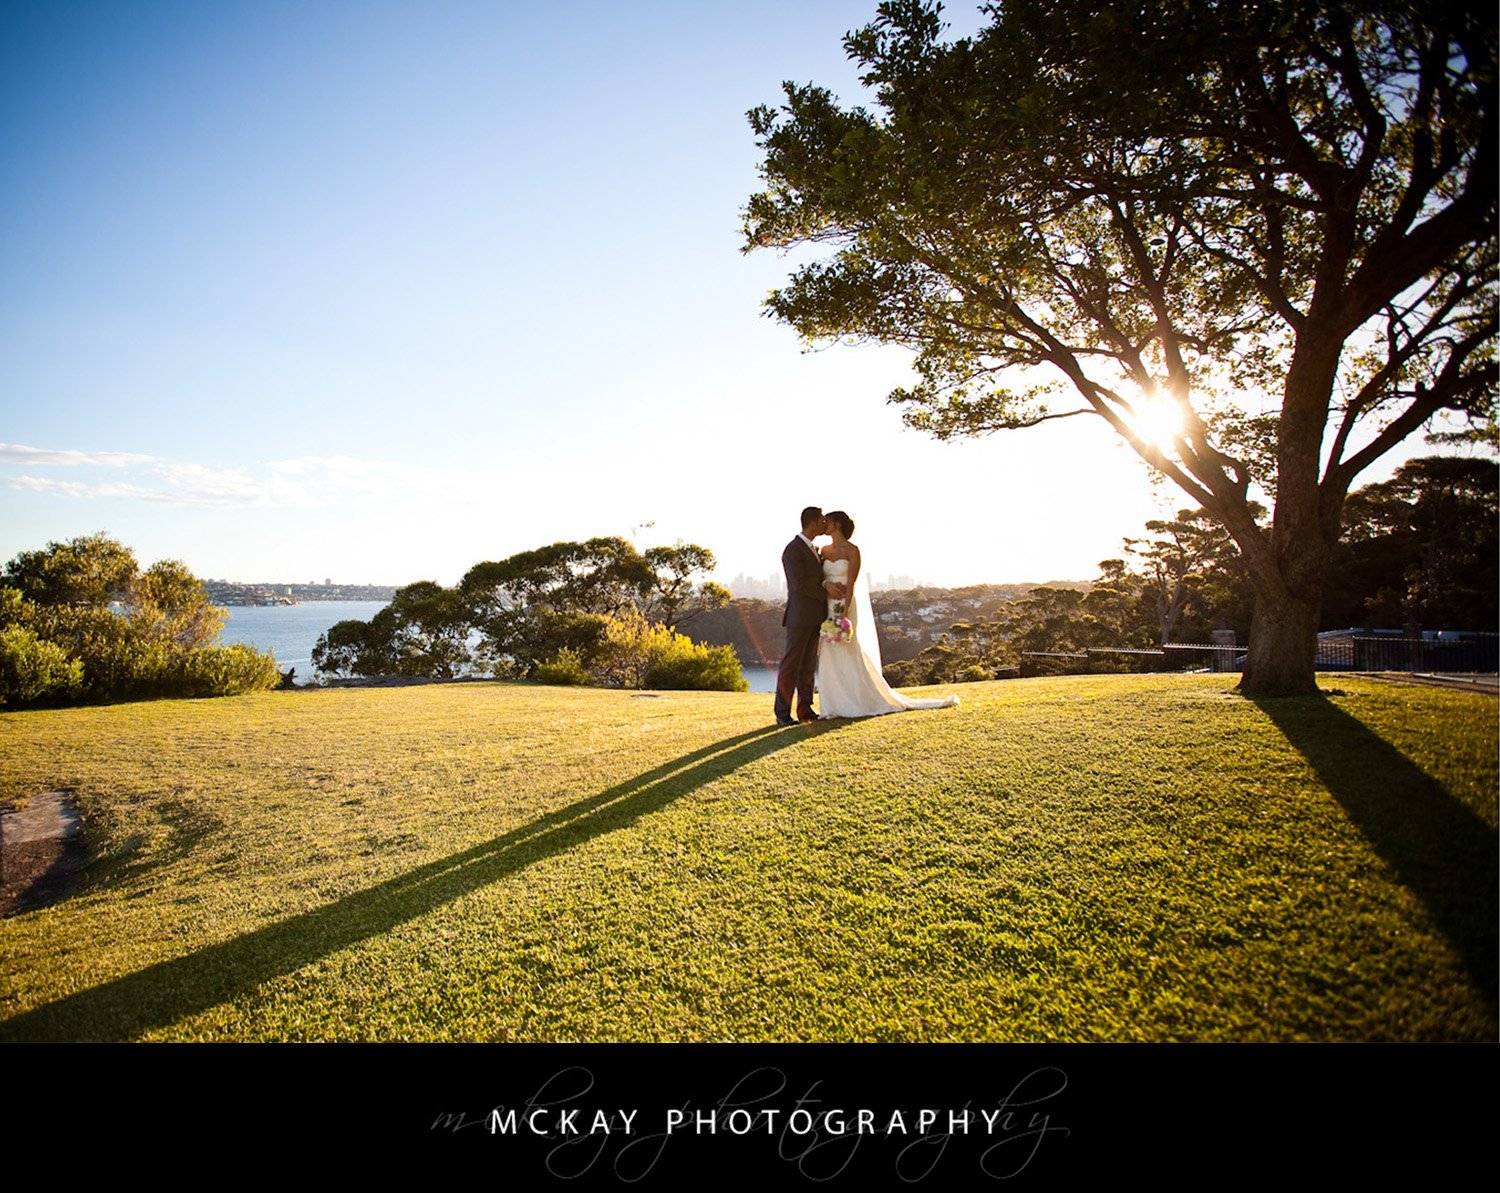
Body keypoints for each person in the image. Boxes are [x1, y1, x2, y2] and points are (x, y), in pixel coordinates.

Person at [816, 510, 960, 717]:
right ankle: (834, 704)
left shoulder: (852, 551)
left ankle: (859, 700)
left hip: (845, 605)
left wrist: (844, 612)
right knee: (830, 652)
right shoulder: (824, 550)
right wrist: (826, 584)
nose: (824, 524)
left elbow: (852, 583)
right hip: (827, 605)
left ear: (836, 524)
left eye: (827, 521)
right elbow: (818, 577)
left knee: (849, 648)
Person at [774, 506, 844, 725]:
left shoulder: (815, 549)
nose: (825, 524)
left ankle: (805, 709)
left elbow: (816, 578)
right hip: (799, 616)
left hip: (815, 617)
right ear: (812, 523)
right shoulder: (793, 550)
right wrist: (826, 590)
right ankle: (782, 713)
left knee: (807, 667)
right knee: (791, 665)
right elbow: (800, 585)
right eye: (823, 521)